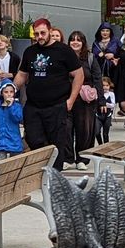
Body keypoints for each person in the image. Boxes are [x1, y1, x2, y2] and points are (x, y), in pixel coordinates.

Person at [13, 18, 82, 170]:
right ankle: (40, 169)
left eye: (43, 33)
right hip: (33, 106)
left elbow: (79, 75)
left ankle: (55, 176)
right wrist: (11, 89)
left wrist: (71, 100)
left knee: (57, 143)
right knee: (32, 137)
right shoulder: (30, 51)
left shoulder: (64, 51)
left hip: (57, 106)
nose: (40, 37)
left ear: (50, 31)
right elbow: (22, 75)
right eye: (36, 34)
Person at [67, 30, 101, 166]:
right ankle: (68, 159)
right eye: (72, 39)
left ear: (83, 43)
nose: (75, 42)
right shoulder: (64, 58)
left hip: (85, 101)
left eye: (78, 40)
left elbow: (97, 79)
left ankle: (82, 159)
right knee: (66, 130)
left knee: (85, 130)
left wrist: (101, 101)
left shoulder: (90, 58)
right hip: (67, 98)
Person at [0, 81, 24, 158]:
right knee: (0, 164)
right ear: (1, 93)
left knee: (15, 165)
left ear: (14, 93)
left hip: (14, 141)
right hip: (0, 141)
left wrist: (10, 107)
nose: (9, 94)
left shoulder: (17, 106)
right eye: (6, 92)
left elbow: (19, 118)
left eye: (11, 92)